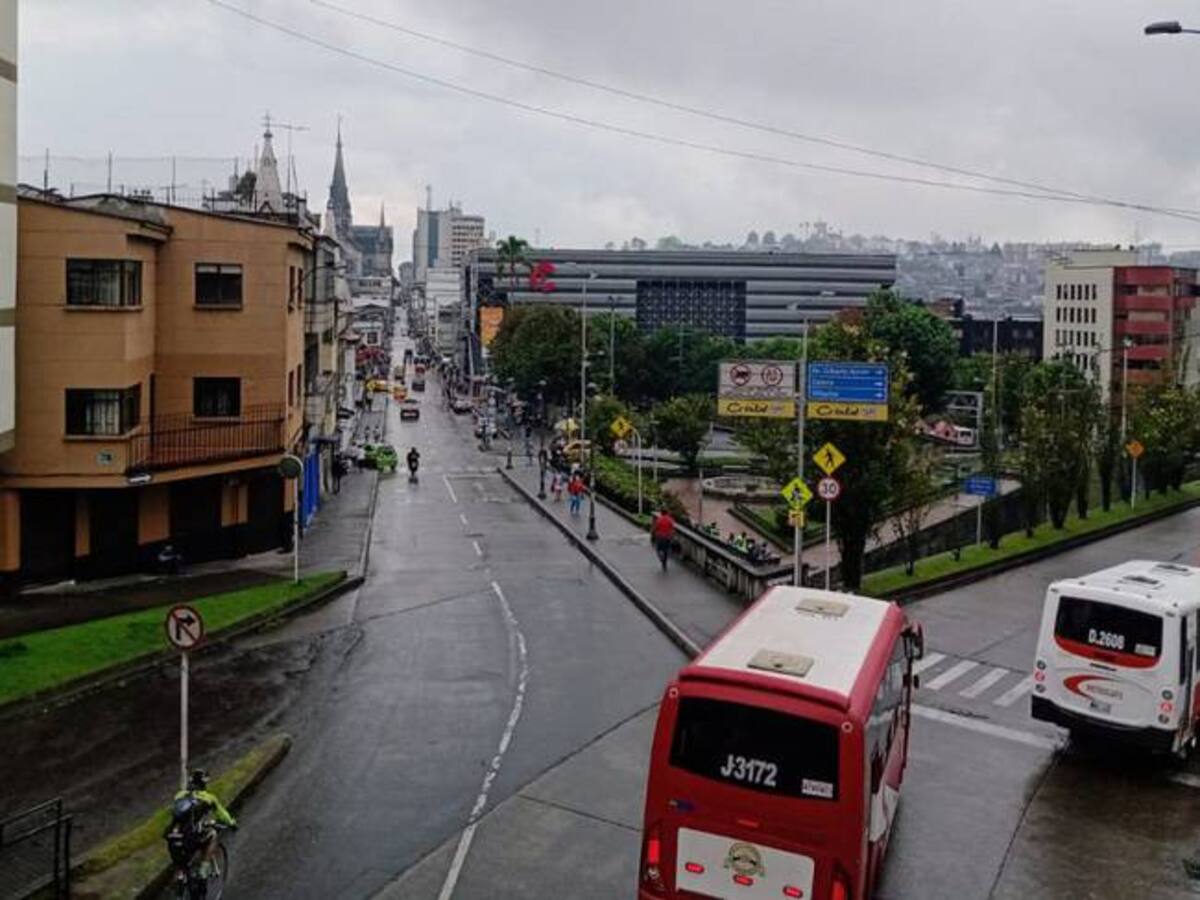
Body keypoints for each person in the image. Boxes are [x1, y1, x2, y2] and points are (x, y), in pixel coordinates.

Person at [167, 769, 237, 883]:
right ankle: (203, 871)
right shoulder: (209, 798)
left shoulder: (179, 795)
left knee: (179, 865)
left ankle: (179, 883)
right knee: (212, 835)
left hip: (173, 836)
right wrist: (232, 823)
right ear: (204, 783)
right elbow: (222, 815)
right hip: (191, 837)